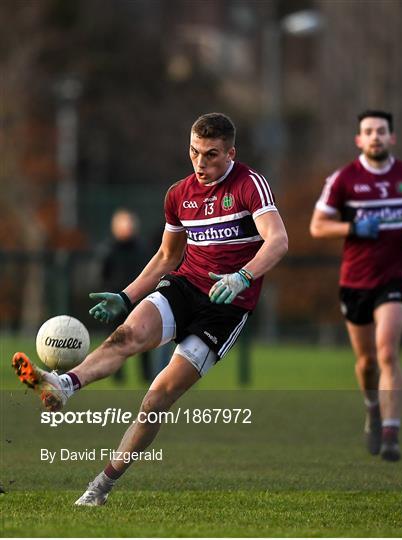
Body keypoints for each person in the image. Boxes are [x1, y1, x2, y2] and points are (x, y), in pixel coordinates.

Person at [12, 112, 288, 504]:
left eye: (211, 155)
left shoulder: (249, 186)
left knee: (156, 399)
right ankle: (63, 384)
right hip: (186, 286)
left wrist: (242, 276)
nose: (201, 163)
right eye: (194, 152)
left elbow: (277, 240)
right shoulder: (179, 194)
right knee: (126, 336)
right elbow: (165, 256)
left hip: (225, 309)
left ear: (231, 153)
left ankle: (101, 486)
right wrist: (126, 296)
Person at [310, 110, 402, 462]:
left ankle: (391, 432)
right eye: (368, 132)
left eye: (381, 131)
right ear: (359, 140)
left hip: (394, 276)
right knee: (366, 363)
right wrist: (353, 229)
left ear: (392, 137)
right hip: (355, 280)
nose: (375, 136)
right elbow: (317, 226)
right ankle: (373, 409)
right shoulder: (344, 179)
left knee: (387, 351)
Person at [98, 208, 152, 383]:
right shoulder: (109, 249)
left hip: (138, 299)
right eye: (123, 225)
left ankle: (146, 375)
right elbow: (103, 274)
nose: (127, 228)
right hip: (115, 299)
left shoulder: (142, 248)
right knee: (116, 338)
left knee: (143, 338)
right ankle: (117, 374)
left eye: (130, 224)